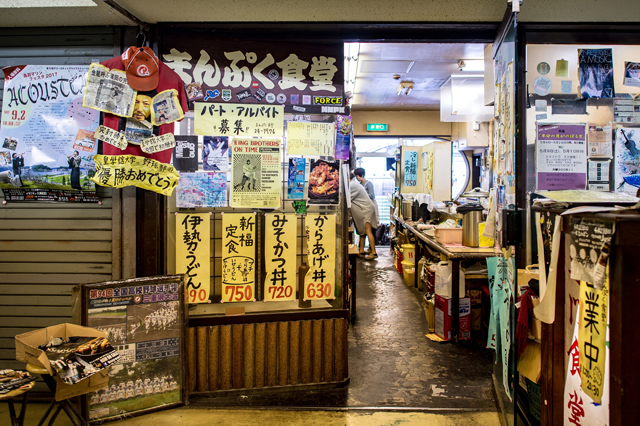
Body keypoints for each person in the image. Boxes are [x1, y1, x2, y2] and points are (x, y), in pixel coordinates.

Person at [350, 171, 379, 260]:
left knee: (367, 231)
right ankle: (361, 251)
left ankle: (373, 252)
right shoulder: (353, 184)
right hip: (364, 209)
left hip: (366, 210)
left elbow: (347, 199)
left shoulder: (351, 185)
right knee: (362, 232)